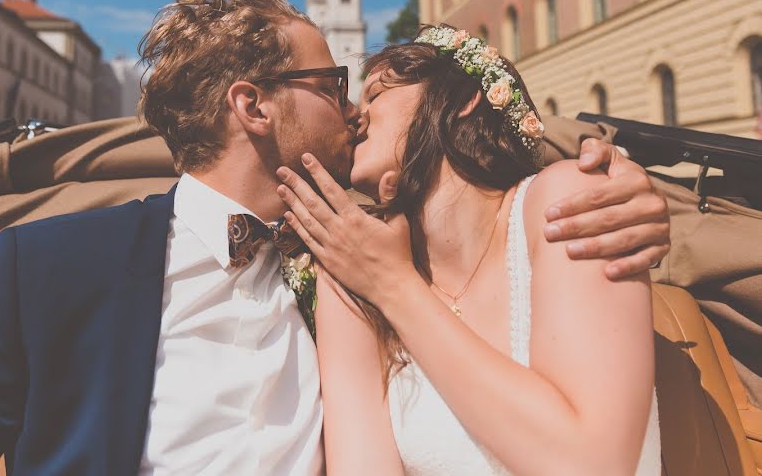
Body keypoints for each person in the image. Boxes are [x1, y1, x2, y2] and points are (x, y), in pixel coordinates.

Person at [0, 0, 668, 475]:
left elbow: (478, 174)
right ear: (253, 106)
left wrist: (618, 173)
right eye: (331, 84)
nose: (354, 106)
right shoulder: (48, 265)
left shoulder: (359, 264)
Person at [276, 27, 663, 475]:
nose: (357, 118)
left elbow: (591, 464)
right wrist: (377, 280)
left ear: (462, 98)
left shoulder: (563, 201)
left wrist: (395, 286)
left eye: (378, 93)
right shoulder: (349, 277)